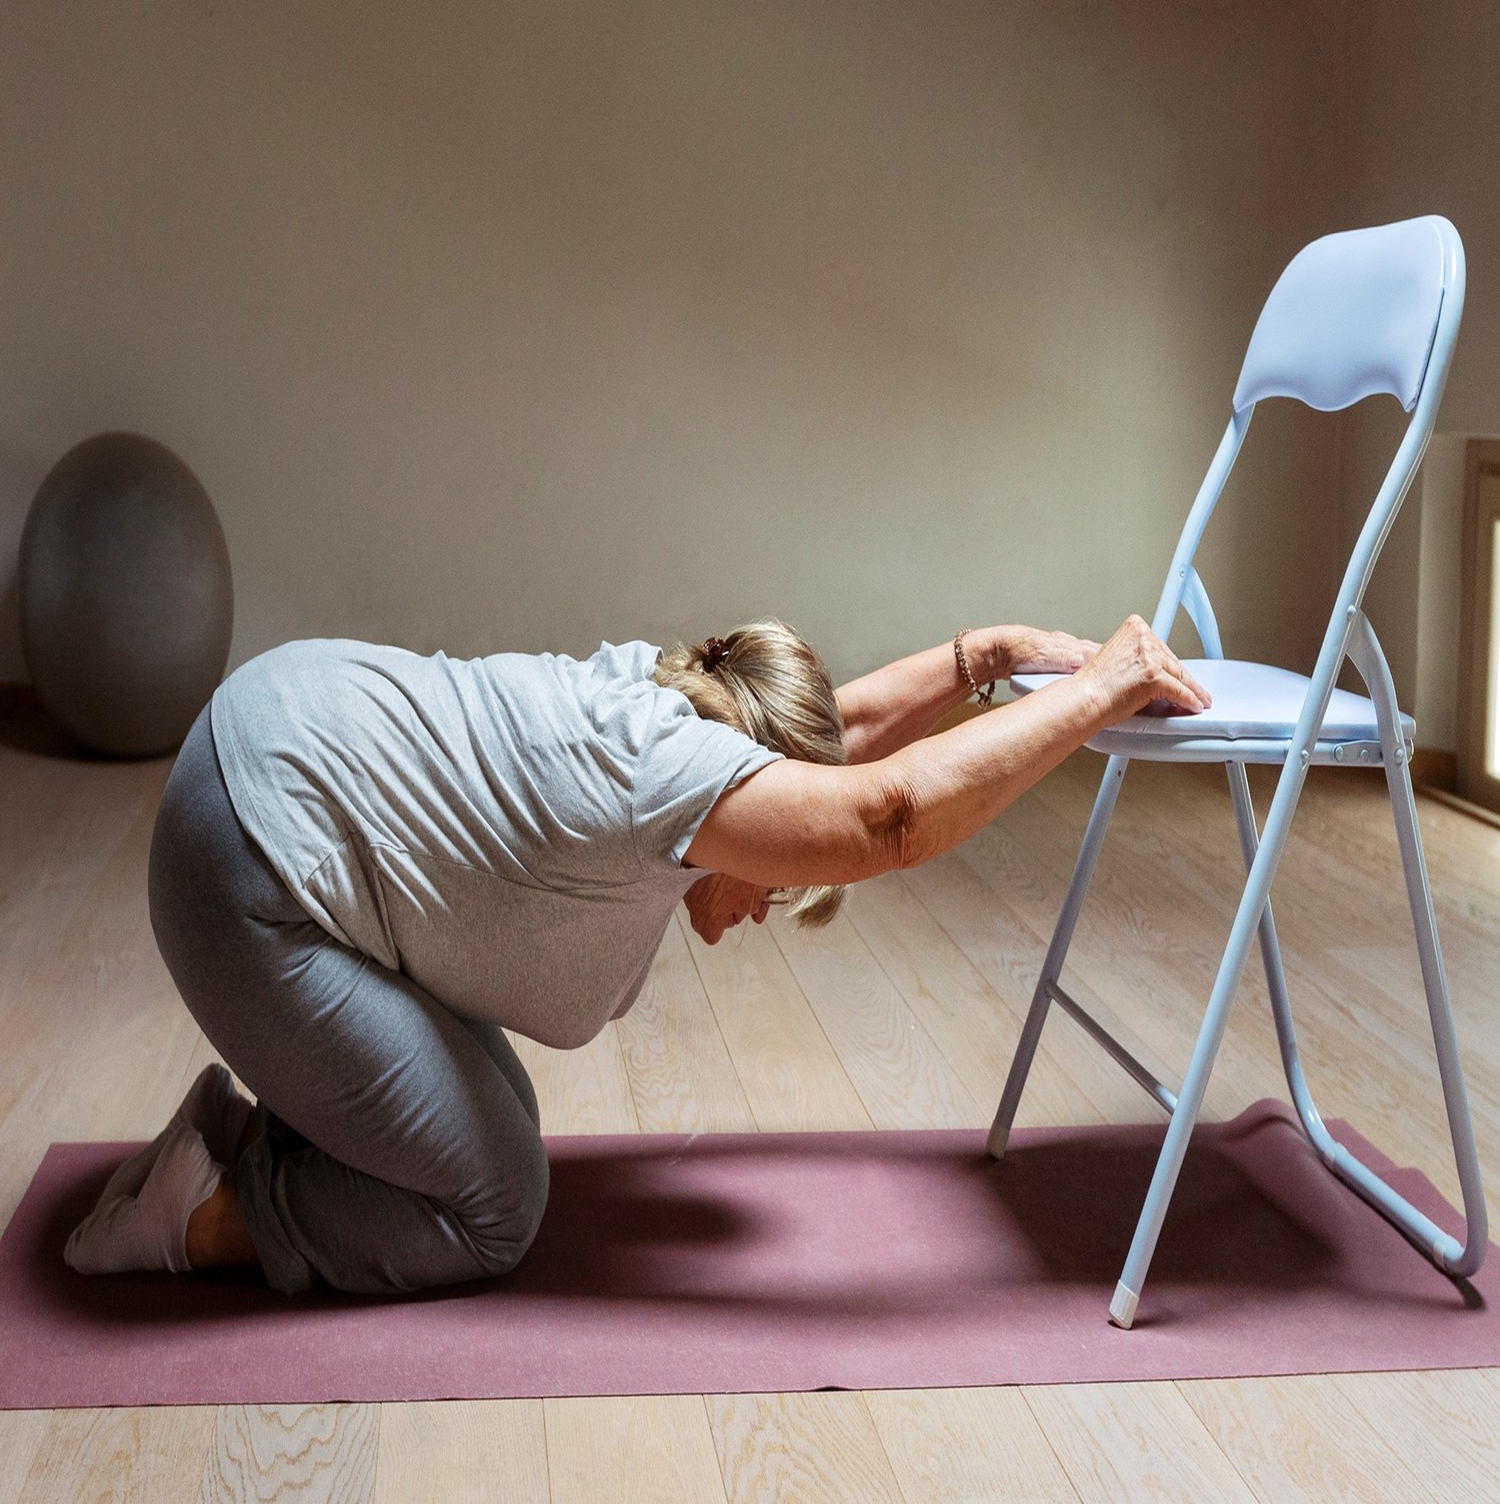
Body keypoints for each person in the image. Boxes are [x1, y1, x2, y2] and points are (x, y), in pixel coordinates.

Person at [63, 614, 1207, 1295]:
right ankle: (196, 1218)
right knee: (494, 1203)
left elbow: (839, 756)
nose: (771, 901)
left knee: (497, 1110)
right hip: (243, 864)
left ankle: (230, 1139)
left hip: (265, 749)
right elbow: (885, 819)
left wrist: (988, 654)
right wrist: (1098, 691)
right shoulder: (659, 779)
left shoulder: (684, 719)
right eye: (781, 871)